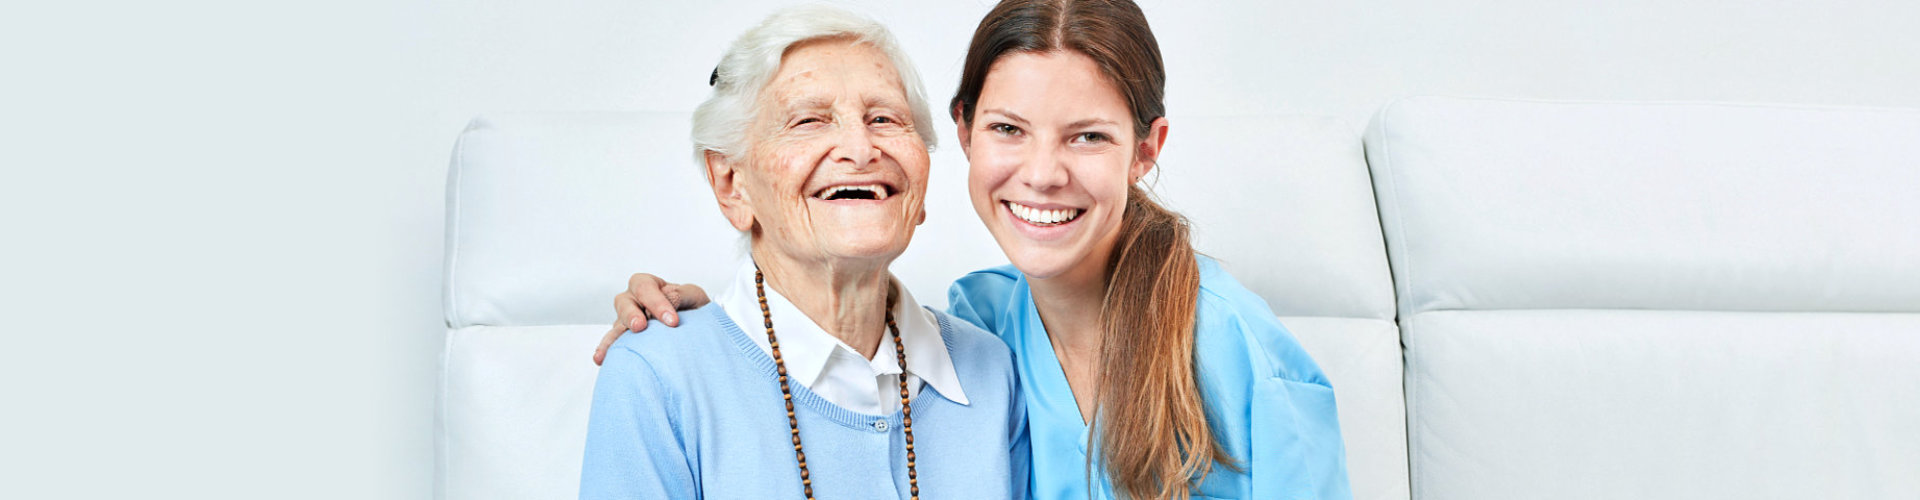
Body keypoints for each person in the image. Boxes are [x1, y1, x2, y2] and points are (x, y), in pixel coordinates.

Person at [598, 1, 1350, 498]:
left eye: (1088, 135)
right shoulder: (984, 324)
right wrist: (703, 336)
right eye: (1009, 129)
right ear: (964, 136)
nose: (1043, 173)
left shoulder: (1237, 353)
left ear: (1145, 149)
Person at [578, 6, 1026, 499]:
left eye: (884, 118)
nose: (860, 149)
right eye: (809, 121)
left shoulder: (993, 370)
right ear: (732, 185)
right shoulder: (656, 376)